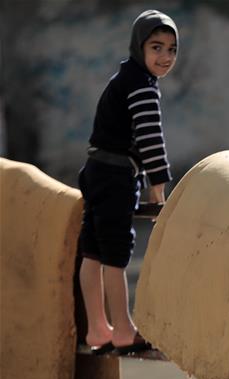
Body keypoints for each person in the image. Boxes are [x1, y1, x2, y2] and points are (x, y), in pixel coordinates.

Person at [78, 10, 178, 355]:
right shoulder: (141, 86)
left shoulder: (124, 78)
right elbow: (151, 138)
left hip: (95, 170)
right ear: (139, 47)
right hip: (116, 176)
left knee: (93, 251)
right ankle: (122, 328)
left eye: (171, 49)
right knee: (116, 254)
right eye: (156, 47)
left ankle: (97, 327)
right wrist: (158, 186)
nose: (165, 57)